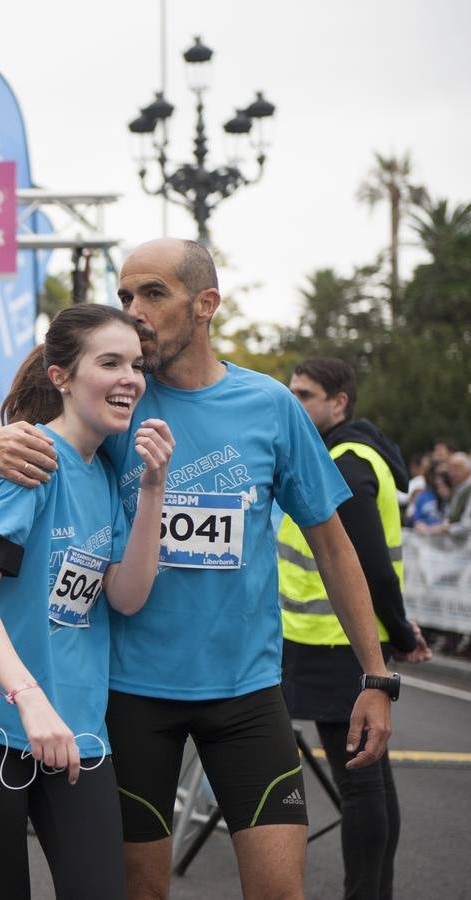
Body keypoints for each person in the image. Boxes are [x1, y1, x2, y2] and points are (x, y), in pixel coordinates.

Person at [0, 239, 395, 900]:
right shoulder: (114, 399)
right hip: (132, 695)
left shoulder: (270, 407)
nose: (134, 310)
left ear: (205, 305)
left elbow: (333, 545)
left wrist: (375, 674)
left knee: (281, 891)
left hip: (246, 691)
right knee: (142, 893)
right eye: (125, 295)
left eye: (152, 294)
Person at [0, 304, 175, 899]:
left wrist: (152, 489)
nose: (130, 379)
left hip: (80, 739)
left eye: (137, 366)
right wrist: (29, 699)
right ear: (61, 376)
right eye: (110, 362)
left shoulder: (103, 473)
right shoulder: (28, 460)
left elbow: (125, 595)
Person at [279, 357, 432, 900]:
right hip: (334, 642)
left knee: (359, 783)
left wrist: (400, 631)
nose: (294, 403)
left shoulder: (343, 461)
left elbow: (367, 560)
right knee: (371, 782)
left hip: (332, 645)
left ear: (338, 402)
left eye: (305, 395)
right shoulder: (351, 453)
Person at [417, 452, 471, 541]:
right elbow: (450, 519)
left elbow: (467, 525)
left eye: (457, 468)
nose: (452, 473)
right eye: (450, 469)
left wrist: (439, 529)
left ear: (468, 469)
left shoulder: (466, 490)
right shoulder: (458, 490)